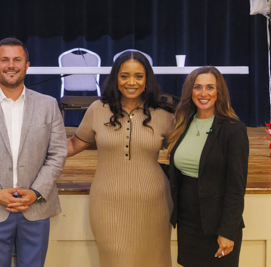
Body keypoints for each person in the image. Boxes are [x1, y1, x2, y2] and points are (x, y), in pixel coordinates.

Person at [0, 37, 67, 267]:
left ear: (27, 65)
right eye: (4, 60)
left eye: (17, 60)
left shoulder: (48, 105)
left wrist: (36, 192)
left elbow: (57, 153)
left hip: (36, 207)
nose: (11, 65)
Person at [65, 51, 176, 267]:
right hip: (107, 205)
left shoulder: (163, 114)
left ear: (147, 79)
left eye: (138, 76)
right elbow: (74, 145)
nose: (131, 82)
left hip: (155, 206)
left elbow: (182, 153)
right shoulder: (98, 109)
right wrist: (36, 152)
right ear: (115, 78)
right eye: (124, 76)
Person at [167, 66, 249, 267]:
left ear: (219, 92)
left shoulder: (233, 130)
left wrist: (228, 231)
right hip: (187, 222)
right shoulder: (182, 123)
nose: (203, 93)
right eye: (197, 87)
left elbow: (236, 188)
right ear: (190, 91)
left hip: (217, 226)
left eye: (210, 87)